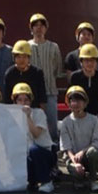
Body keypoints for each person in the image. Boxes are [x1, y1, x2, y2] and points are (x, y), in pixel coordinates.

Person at [68, 43, 98, 179]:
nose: (89, 63)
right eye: (86, 60)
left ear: (97, 62)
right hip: (80, 115)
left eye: (92, 60)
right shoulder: (75, 77)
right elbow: (72, 98)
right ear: (81, 62)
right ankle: (79, 165)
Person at [59, 85, 98, 192]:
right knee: (76, 171)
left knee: (94, 153)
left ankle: (93, 179)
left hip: (88, 156)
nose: (76, 104)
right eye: (73, 101)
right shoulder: (65, 122)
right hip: (72, 158)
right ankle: (78, 180)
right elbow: (66, 147)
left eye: (79, 100)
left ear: (85, 103)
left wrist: (82, 152)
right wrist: (75, 161)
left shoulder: (94, 119)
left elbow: (97, 142)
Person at [13, 83, 54, 194]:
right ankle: (32, 181)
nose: (23, 103)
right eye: (19, 100)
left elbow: (36, 134)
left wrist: (27, 116)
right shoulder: (13, 116)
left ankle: (47, 181)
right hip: (26, 156)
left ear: (30, 101)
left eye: (26, 100)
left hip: (44, 153)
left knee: (33, 150)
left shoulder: (39, 113)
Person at [29, 13, 63, 143]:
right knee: (32, 122)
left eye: (41, 25)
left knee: (52, 124)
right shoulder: (26, 46)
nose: (39, 28)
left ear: (46, 28)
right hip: (31, 93)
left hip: (50, 91)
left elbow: (58, 69)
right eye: (35, 25)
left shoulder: (53, 47)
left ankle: (54, 148)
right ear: (31, 28)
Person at [4, 40, 48, 113]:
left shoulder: (37, 73)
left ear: (29, 58)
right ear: (14, 58)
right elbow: (7, 98)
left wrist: (41, 114)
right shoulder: (9, 74)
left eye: (24, 57)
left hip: (34, 111)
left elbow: (42, 96)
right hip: (15, 112)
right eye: (18, 57)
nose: (21, 60)